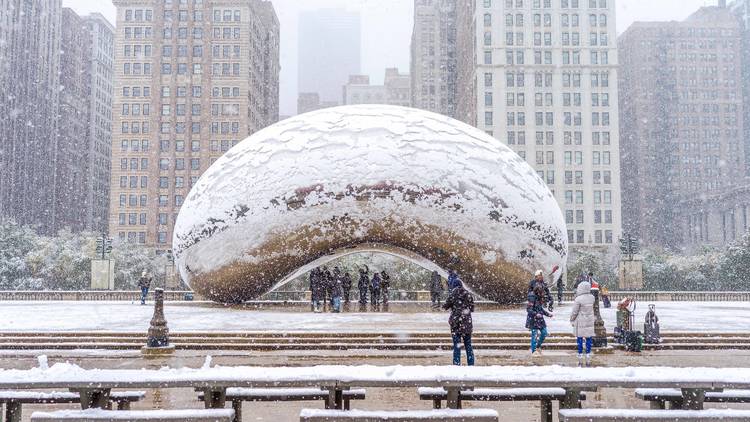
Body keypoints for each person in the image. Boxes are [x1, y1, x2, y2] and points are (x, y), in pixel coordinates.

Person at [443, 278, 475, 366]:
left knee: (457, 346)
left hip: (455, 323)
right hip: (466, 323)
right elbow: (472, 308)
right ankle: (471, 364)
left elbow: (445, 306)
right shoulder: (468, 294)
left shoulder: (453, 294)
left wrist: (454, 307)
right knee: (468, 345)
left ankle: (456, 364)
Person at [570, 281, 595, 367]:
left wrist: (571, 319)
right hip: (589, 321)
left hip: (581, 321)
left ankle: (580, 354)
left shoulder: (578, 299)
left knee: (579, 338)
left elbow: (575, 312)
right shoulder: (592, 298)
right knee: (588, 338)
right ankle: (588, 354)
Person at [527, 284, 553, 355]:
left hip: (540, 320)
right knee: (534, 336)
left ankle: (538, 346)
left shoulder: (539, 298)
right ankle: (534, 351)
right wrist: (535, 314)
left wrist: (548, 314)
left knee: (544, 333)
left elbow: (540, 309)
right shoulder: (532, 298)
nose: (543, 293)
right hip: (533, 320)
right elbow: (529, 310)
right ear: (538, 291)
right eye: (542, 292)